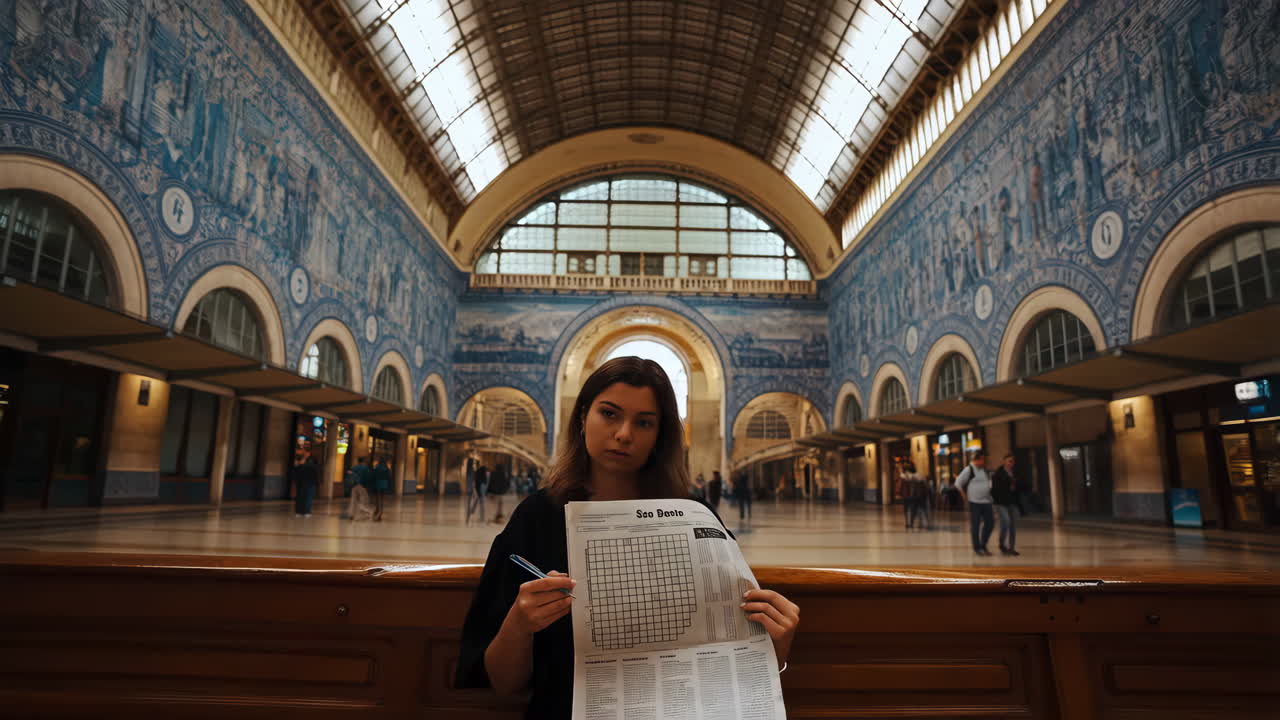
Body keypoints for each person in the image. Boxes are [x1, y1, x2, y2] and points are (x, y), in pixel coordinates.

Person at [455, 357, 800, 719]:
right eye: (609, 414)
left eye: (644, 422)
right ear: (583, 415)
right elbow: (503, 682)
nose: (623, 434)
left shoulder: (693, 516)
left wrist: (777, 644)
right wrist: (519, 624)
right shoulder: (537, 518)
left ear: (660, 435)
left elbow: (733, 665)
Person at [955, 450, 995, 556]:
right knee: (976, 525)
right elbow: (958, 483)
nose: (984, 462)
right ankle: (977, 547)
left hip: (987, 501)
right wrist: (964, 495)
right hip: (974, 502)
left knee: (990, 523)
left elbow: (989, 483)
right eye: (982, 459)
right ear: (977, 459)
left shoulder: (985, 470)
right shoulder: (969, 469)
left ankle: (983, 544)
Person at [991, 454, 1020, 556]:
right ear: (1004, 462)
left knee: (1013, 525)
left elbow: (1019, 487)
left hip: (1011, 502)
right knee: (1006, 522)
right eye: (1009, 461)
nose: (1011, 463)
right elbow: (994, 489)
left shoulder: (1015, 473)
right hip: (1001, 503)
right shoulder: (998, 474)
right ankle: (1002, 544)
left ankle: (1011, 547)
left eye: (1012, 461)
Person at [291, 451, 320, 517]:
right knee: (302, 497)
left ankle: (304, 511)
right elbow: (295, 471)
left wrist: (301, 464)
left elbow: (315, 470)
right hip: (303, 483)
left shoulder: (311, 462)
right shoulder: (301, 462)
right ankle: (301, 511)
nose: (306, 454)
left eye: (307, 453)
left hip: (308, 483)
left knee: (306, 497)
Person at [901, 461, 928, 530]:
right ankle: (914, 522)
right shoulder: (917, 475)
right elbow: (923, 481)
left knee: (911, 509)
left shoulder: (904, 476)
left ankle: (911, 522)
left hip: (910, 495)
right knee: (917, 509)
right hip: (915, 495)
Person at [348, 456, 374, 521]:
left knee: (353, 500)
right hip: (362, 485)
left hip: (354, 485)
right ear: (363, 461)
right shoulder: (365, 468)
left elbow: (349, 475)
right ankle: (368, 512)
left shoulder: (353, 468)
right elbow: (367, 477)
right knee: (364, 500)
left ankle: (352, 514)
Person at [371, 456, 392, 522]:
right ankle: (379, 513)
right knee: (381, 499)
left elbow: (373, 475)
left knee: (377, 499)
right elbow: (389, 477)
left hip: (377, 484)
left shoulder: (377, 467)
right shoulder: (386, 468)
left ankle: (377, 512)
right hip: (384, 485)